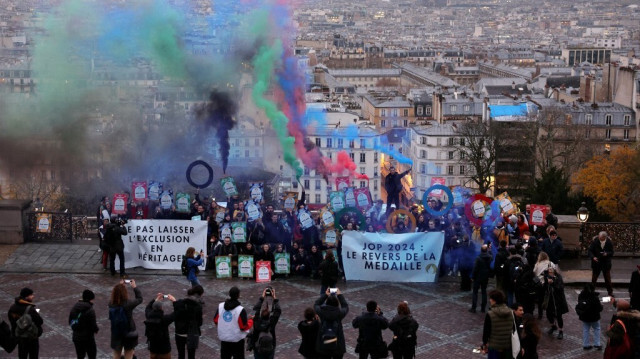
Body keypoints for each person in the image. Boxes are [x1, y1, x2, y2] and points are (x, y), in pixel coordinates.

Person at [213, 286, 253, 359]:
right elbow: (243, 327)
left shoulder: (221, 306)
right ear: (238, 295)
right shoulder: (240, 310)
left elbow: (215, 320)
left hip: (224, 339)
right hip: (237, 340)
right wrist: (251, 321)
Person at [109, 279, 143, 359]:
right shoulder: (128, 304)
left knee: (116, 356)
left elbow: (115, 295)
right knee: (128, 355)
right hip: (129, 332)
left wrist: (120, 286)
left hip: (116, 332)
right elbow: (139, 298)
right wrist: (134, 287)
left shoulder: (111, 304)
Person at [8, 287, 44, 359]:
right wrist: (36, 313)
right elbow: (40, 321)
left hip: (20, 337)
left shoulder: (12, 308)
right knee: (33, 356)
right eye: (31, 295)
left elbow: (11, 321)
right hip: (31, 337)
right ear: (26, 296)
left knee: (22, 355)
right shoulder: (30, 309)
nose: (33, 296)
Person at [248, 287, 282, 359]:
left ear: (260, 315)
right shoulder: (271, 323)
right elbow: (278, 311)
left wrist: (262, 297)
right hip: (270, 347)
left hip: (258, 348)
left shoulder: (257, 322)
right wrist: (274, 297)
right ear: (269, 316)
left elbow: (255, 309)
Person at [314, 288, 349, 359]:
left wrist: (325, 295)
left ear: (327, 303)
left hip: (323, 344)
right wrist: (340, 295)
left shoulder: (321, 312)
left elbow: (316, 304)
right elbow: (345, 306)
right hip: (338, 344)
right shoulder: (339, 313)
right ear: (337, 304)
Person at [173, 285, 204, 359]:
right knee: (191, 355)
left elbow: (175, 316)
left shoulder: (180, 303)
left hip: (179, 332)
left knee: (181, 354)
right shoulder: (198, 306)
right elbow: (200, 322)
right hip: (192, 333)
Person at [481, 290, 513, 359]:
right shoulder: (511, 312)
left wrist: (484, 344)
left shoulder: (490, 314)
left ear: (494, 300)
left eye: (490, 299)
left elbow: (486, 331)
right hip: (507, 346)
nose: (490, 300)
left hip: (494, 347)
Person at [144, 293, 177, 359]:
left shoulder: (149, 316)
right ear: (161, 308)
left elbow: (147, 308)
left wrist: (156, 300)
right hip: (164, 349)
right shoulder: (164, 319)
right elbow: (177, 313)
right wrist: (174, 301)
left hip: (153, 349)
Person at [68, 289, 99, 359]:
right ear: (90, 299)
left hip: (77, 337)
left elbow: (70, 321)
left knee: (80, 356)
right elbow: (93, 325)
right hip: (88, 338)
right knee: (92, 355)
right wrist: (96, 330)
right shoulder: (90, 310)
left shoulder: (74, 307)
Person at [543, 267, 568, 339]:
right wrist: (546, 282)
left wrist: (553, 283)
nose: (550, 272)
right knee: (549, 314)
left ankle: (561, 331)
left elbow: (560, 288)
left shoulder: (558, 278)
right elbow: (544, 287)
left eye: (551, 271)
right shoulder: (546, 277)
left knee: (558, 316)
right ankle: (553, 326)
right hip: (549, 300)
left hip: (558, 300)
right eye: (549, 271)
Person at [576, 284, 603, 350]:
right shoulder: (594, 297)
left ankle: (586, 344)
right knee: (597, 328)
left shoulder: (581, 296)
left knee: (586, 330)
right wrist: (601, 306)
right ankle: (597, 344)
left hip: (584, 316)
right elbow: (599, 308)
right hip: (594, 317)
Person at [588, 231, 615, 297]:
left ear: (604, 237)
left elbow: (612, 252)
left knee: (607, 279)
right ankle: (592, 291)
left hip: (605, 263)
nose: (599, 238)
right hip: (596, 262)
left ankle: (610, 292)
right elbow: (590, 251)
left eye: (601, 238)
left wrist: (607, 254)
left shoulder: (609, 242)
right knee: (594, 279)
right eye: (599, 237)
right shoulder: (595, 241)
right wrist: (593, 257)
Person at [532, 252, 555, 320]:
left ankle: (540, 314)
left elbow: (534, 273)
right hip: (548, 283)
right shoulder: (550, 263)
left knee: (540, 299)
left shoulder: (537, 264)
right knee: (550, 298)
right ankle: (551, 312)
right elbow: (554, 272)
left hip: (540, 283)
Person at [470, 244, 492, 313]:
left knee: (475, 292)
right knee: (484, 291)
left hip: (478, 277)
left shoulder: (478, 258)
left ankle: (474, 308)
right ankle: (483, 308)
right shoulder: (490, 257)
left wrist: (473, 276)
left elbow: (475, 268)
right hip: (485, 276)